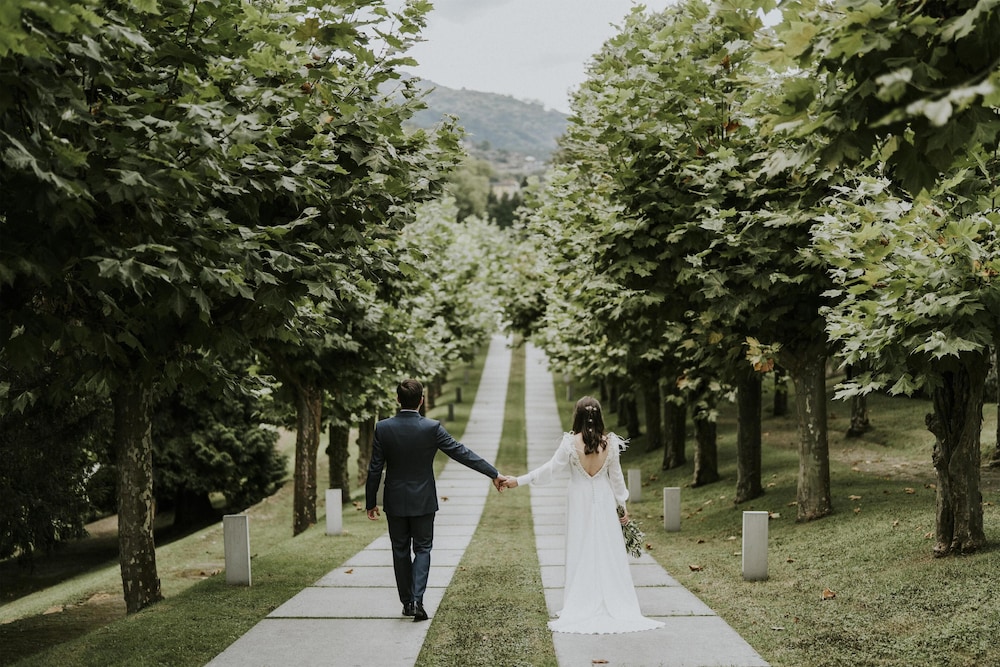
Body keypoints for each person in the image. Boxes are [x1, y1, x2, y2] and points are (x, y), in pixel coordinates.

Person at [503, 396, 664, 634]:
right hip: (604, 499)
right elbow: (617, 481)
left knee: (580, 548)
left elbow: (549, 470)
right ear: (599, 416)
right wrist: (622, 507)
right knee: (606, 548)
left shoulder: (570, 443)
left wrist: (519, 480)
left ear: (577, 416)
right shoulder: (610, 444)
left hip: (578, 500)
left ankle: (580, 601)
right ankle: (611, 599)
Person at [365, 378, 508, 622]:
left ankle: (407, 602)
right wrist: (493, 473)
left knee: (400, 551)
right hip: (423, 501)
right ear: (422, 400)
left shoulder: (383, 428)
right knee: (422, 549)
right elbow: (461, 453)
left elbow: (375, 468)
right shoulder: (431, 428)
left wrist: (371, 502)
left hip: (395, 500)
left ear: (398, 399)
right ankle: (418, 600)